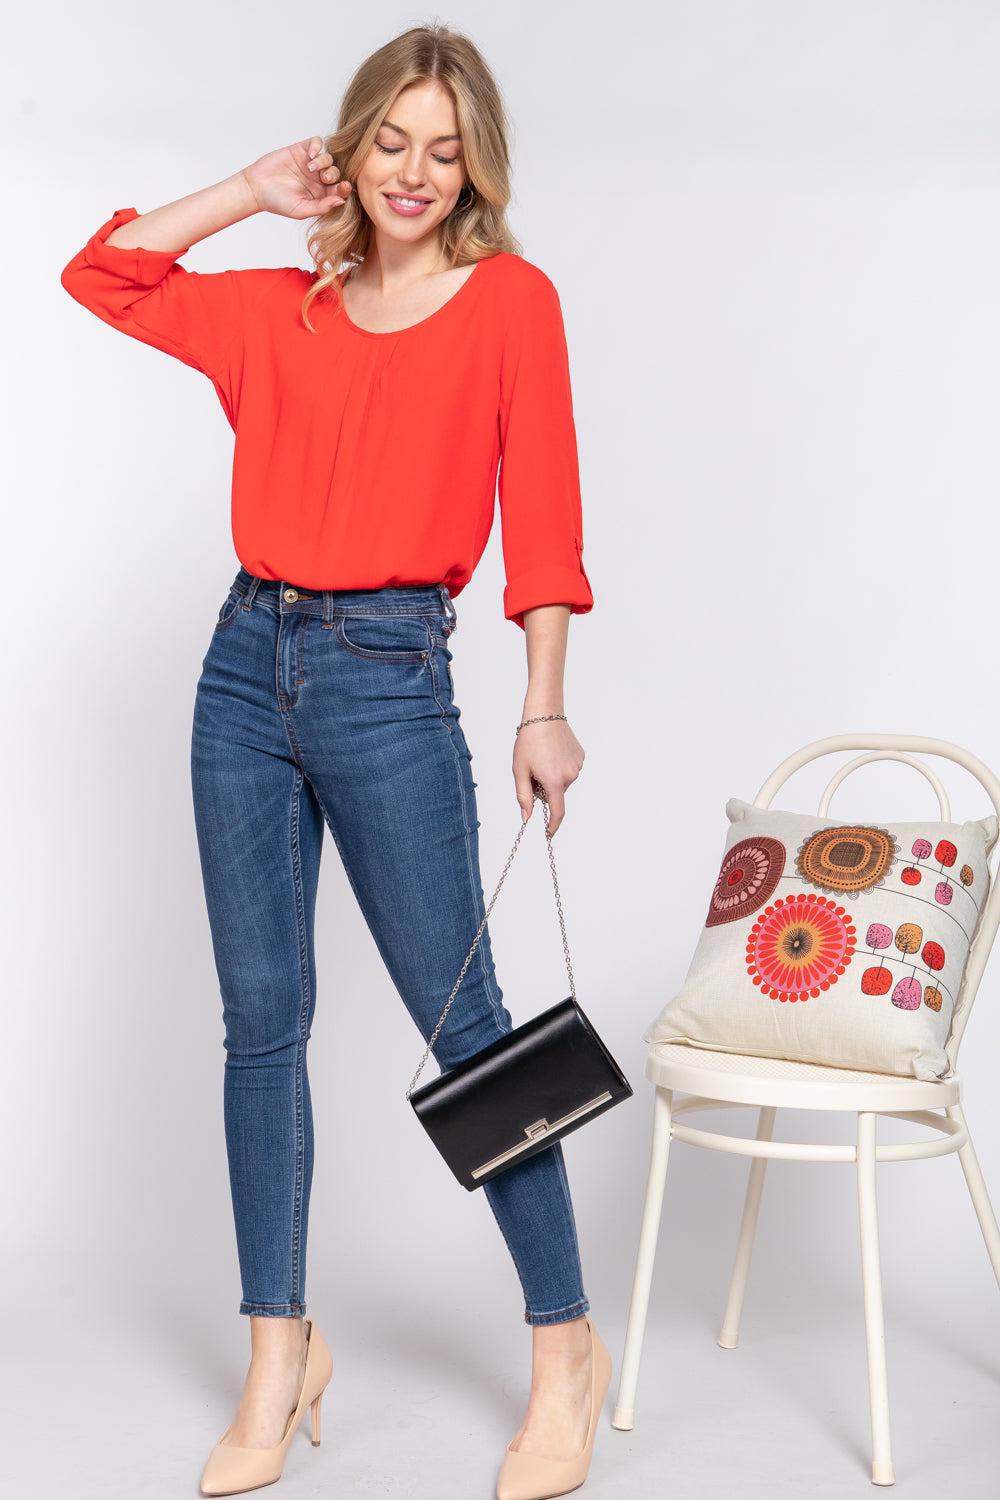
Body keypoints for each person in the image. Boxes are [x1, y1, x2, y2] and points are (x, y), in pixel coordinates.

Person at [60, 21, 609, 1500]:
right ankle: (278, 1349)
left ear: (474, 164)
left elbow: (545, 525)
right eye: (391, 141)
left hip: (389, 679)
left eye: (446, 148)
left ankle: (564, 1349)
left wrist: (541, 704)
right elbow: (103, 274)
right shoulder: (277, 311)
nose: (417, 172)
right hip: (244, 672)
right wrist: (248, 187)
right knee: (260, 1025)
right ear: (350, 149)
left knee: (473, 1027)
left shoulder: (511, 304)